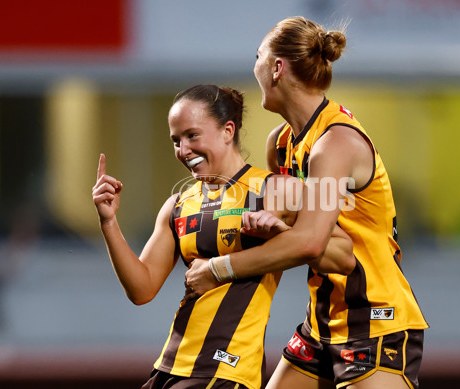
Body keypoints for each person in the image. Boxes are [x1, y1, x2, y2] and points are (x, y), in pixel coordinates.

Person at [185, 17, 429, 389]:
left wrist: (219, 268)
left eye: (258, 57)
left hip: (375, 320)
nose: (254, 68)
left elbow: (310, 243)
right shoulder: (280, 143)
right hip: (321, 321)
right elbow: (310, 241)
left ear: (277, 68)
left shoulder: (335, 143)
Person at [92, 84, 354, 389]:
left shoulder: (276, 190)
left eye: (192, 135)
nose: (183, 150)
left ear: (228, 131)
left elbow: (343, 255)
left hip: (226, 370)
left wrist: (284, 233)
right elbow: (141, 289)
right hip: (171, 365)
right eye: (176, 140)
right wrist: (109, 222)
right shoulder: (178, 204)